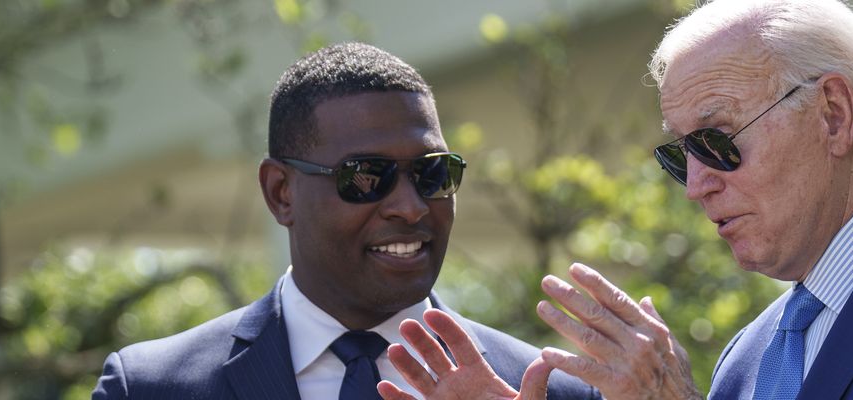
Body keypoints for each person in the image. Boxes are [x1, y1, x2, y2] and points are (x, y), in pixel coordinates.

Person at [380, 1, 853, 399]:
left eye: (717, 141)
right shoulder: (751, 354)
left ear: (833, 115)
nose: (695, 184)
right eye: (677, 154)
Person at [92, 42, 597, 400]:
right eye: (367, 176)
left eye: (432, 173)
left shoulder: (547, 389)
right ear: (281, 192)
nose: (411, 206)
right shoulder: (152, 387)